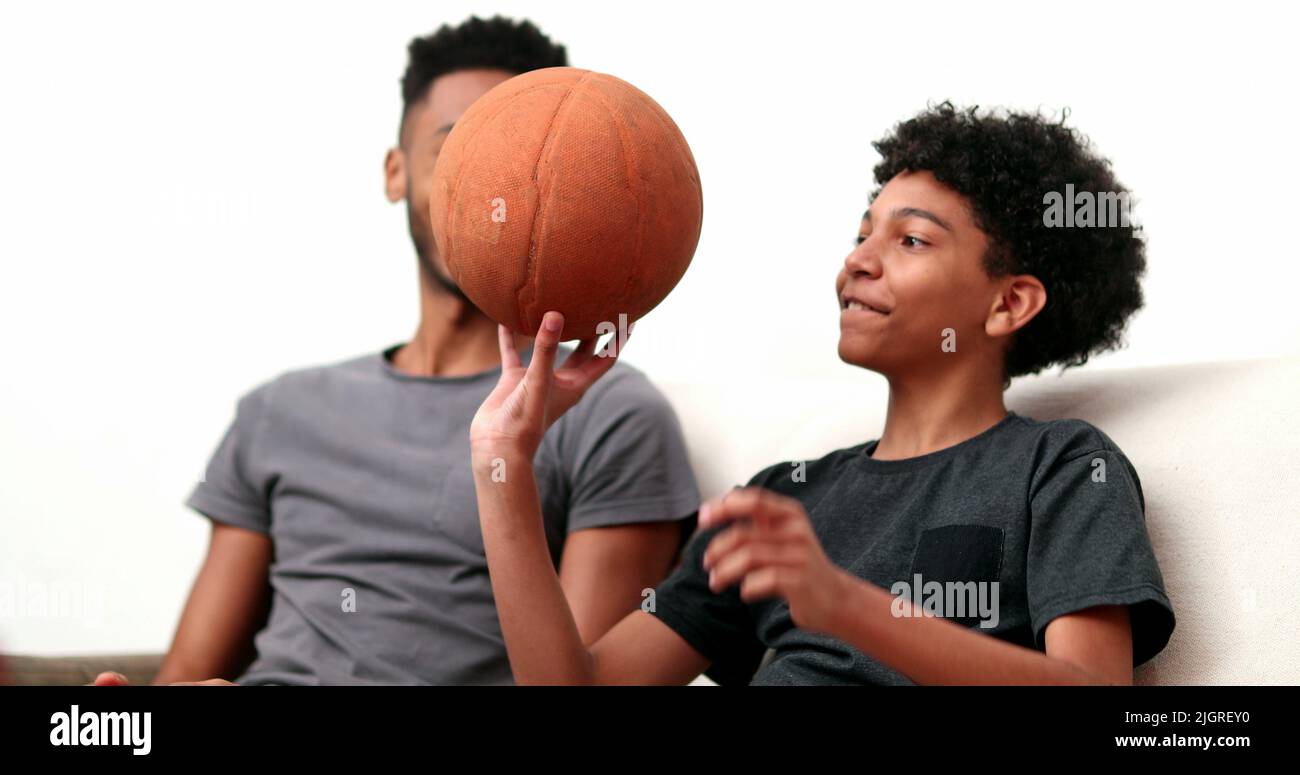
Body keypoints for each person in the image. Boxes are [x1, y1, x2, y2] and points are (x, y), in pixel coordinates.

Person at [470, 103, 1176, 685]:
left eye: (912, 241)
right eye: (862, 232)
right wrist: (503, 465)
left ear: (1008, 304)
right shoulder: (784, 502)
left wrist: (843, 603)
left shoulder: (1061, 466)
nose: (857, 261)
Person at [95, 16, 699, 686]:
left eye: (525, 165)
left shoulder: (610, 411)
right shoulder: (279, 410)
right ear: (395, 171)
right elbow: (186, 673)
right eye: (458, 152)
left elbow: (578, 680)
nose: (495, 195)